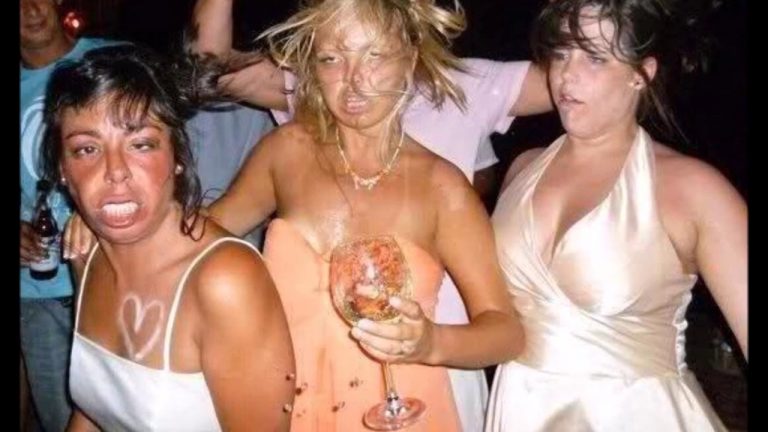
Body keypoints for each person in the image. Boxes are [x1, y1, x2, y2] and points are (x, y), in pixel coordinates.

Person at [189, 1, 549, 427]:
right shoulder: (286, 152)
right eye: (331, 59)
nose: (354, 79)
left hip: (404, 411)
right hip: (291, 407)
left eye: (374, 55)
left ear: (409, 60)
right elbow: (199, 239)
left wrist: (431, 342)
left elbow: (505, 332)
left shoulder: (441, 186)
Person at [485, 1, 747, 430]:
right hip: (518, 412)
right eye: (561, 53)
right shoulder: (521, 170)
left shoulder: (692, 188)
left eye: (594, 57)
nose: (567, 75)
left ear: (641, 74)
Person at [41, 45, 295, 431]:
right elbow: (93, 411)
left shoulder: (224, 280)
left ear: (177, 155)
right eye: (87, 149)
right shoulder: (86, 254)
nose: (115, 171)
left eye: (141, 144)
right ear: (62, 168)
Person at [20, 0, 121, 429]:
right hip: (38, 294)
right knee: (59, 418)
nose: (29, 9)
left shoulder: (111, 60)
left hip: (114, 279)